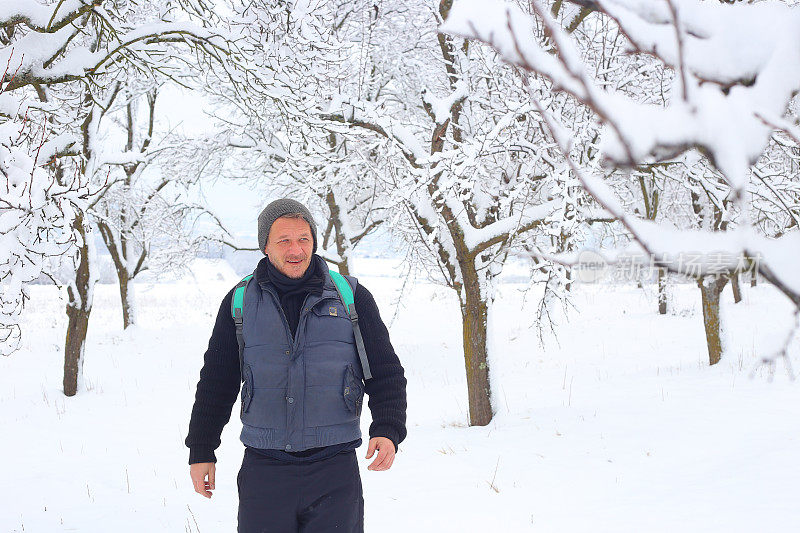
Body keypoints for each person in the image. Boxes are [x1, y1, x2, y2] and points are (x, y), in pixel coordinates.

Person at [185, 198, 407, 533]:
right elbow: (218, 382)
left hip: (335, 468)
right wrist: (202, 448)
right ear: (265, 246)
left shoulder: (351, 296)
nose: (296, 250)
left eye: (303, 239)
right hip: (265, 468)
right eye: (284, 240)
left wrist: (388, 429)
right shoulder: (240, 301)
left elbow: (386, 372)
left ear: (314, 241)